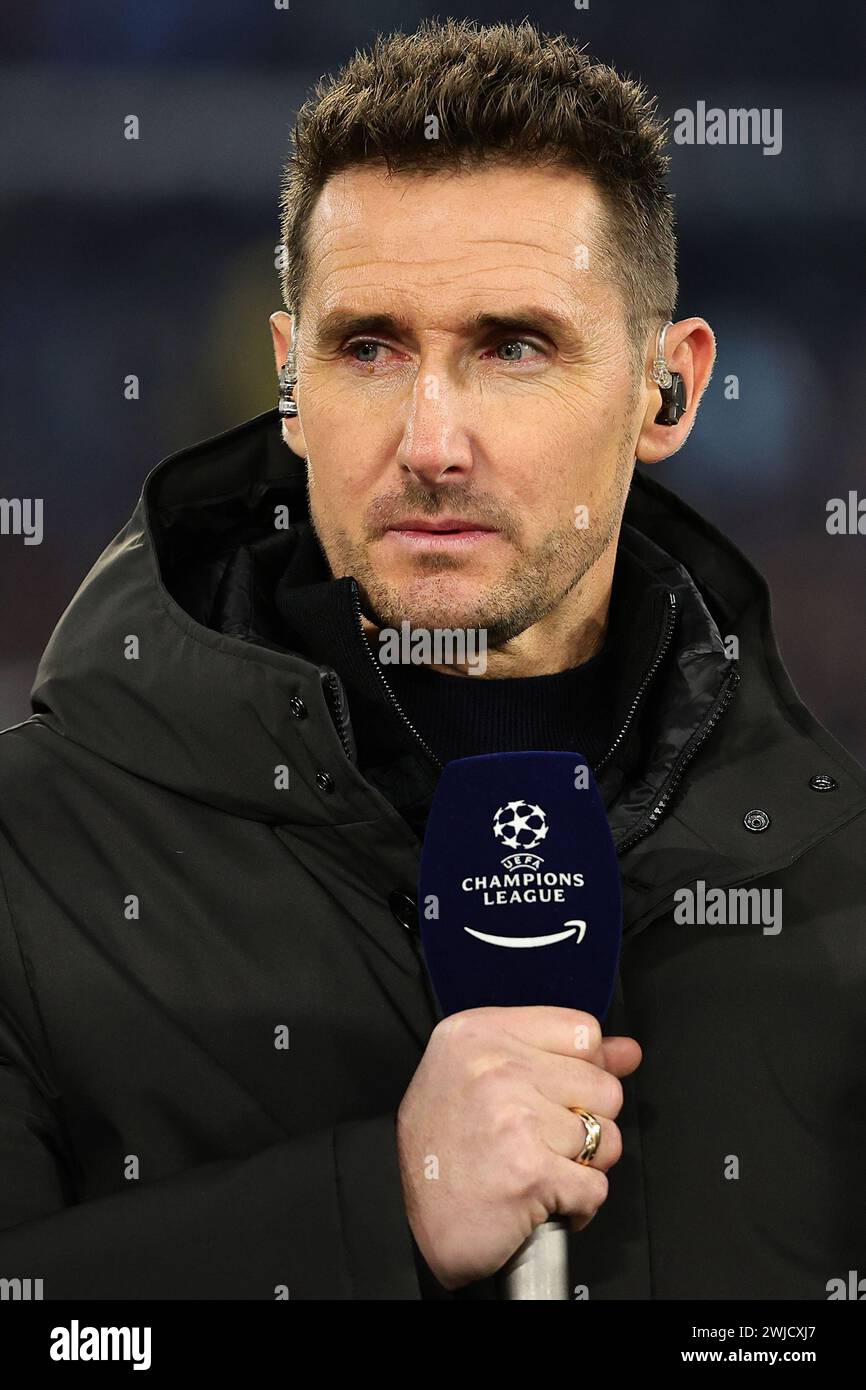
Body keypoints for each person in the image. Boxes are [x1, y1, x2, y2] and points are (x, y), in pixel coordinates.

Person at [0, 17, 863, 1301]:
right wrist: (369, 1208)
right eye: (370, 348)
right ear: (289, 384)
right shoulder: (30, 854)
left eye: (511, 346)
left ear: (664, 392)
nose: (431, 441)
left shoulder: (833, 884)